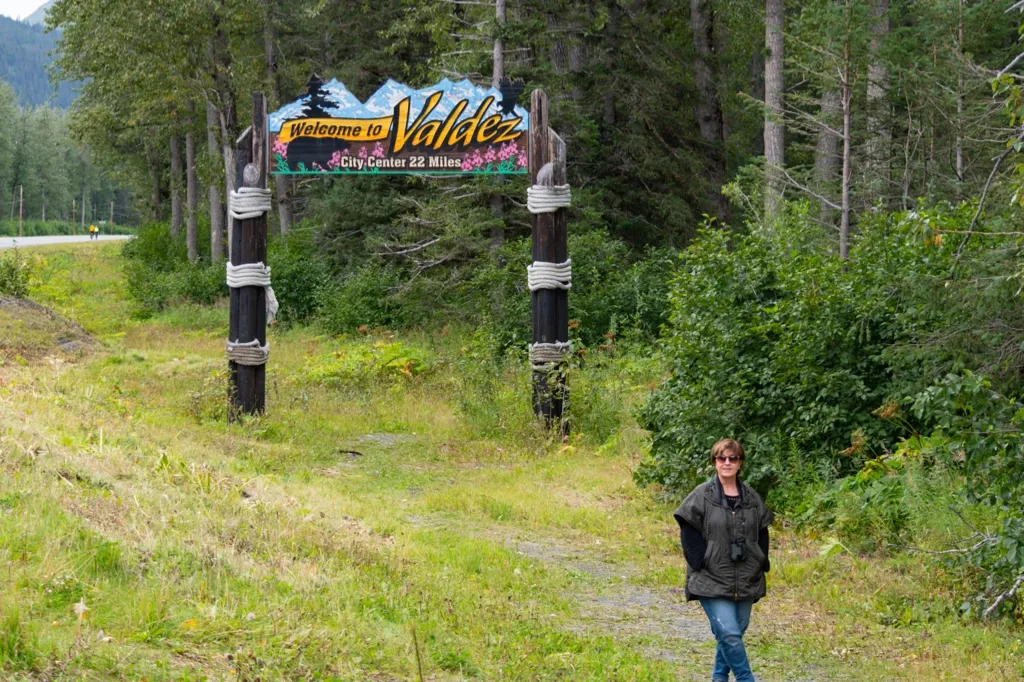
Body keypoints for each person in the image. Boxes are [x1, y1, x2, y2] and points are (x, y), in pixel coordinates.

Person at [674, 438, 773, 682]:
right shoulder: (702, 495)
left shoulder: (751, 498)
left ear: (740, 463)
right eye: (722, 458)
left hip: (746, 577)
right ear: (714, 462)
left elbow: (762, 530)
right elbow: (688, 528)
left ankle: (719, 678)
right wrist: (699, 561)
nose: (727, 463)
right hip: (711, 576)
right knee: (728, 632)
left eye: (733, 458)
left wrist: (761, 560)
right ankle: (746, 678)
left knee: (733, 633)